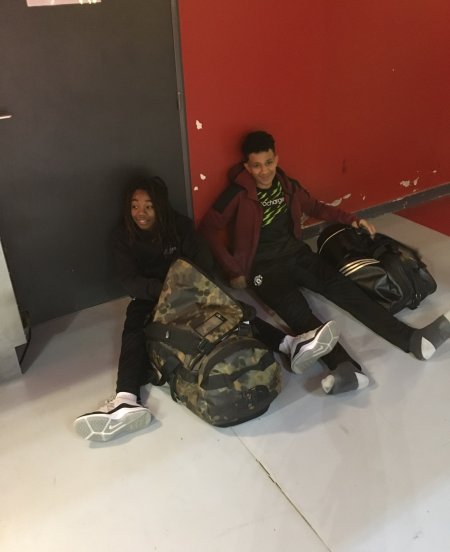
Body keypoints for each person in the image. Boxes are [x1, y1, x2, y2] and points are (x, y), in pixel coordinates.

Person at [73, 176, 340, 442]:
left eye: (149, 206)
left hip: (189, 289)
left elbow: (202, 259)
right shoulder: (122, 236)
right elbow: (130, 281)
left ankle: (290, 345)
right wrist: (163, 291)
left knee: (233, 310)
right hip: (150, 297)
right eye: (135, 206)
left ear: (160, 207)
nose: (140, 213)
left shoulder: (179, 226)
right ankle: (126, 400)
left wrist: (191, 287)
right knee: (133, 330)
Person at [200, 130, 450, 394]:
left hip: (297, 254)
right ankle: (345, 368)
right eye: (257, 165)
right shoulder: (236, 194)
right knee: (299, 313)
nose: (264, 171)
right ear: (247, 167)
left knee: (347, 290)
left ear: (276, 159)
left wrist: (352, 219)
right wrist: (233, 269)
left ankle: (413, 340)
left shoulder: (288, 186)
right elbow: (208, 229)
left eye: (269, 162)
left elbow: (316, 207)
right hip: (263, 268)